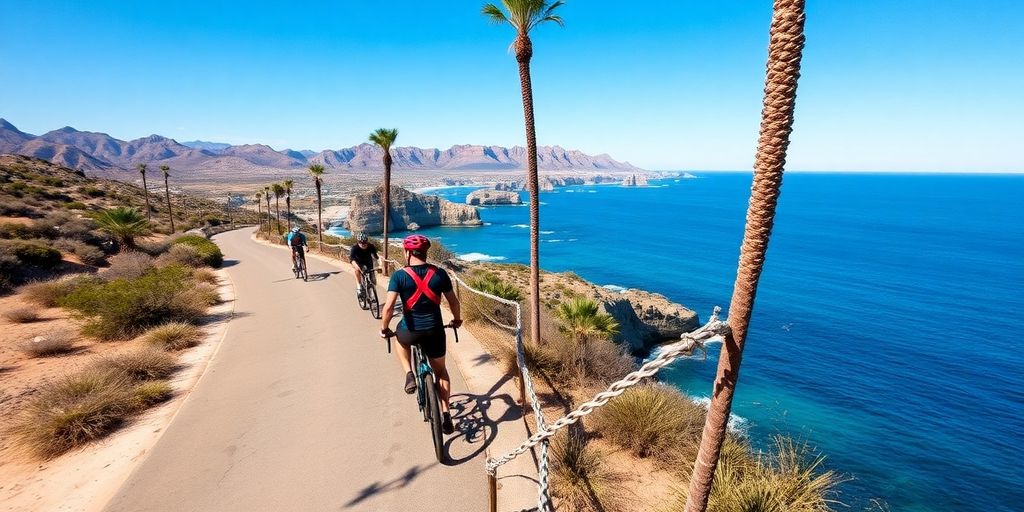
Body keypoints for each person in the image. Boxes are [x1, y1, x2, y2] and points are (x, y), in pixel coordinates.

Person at [380, 234, 462, 435]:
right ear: (426, 252)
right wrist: (457, 320)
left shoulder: (399, 276)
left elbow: (389, 307)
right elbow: (454, 302)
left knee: (400, 337)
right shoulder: (440, 274)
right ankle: (446, 414)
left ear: (407, 253)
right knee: (441, 372)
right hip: (435, 331)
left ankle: (409, 374)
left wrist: (384, 329)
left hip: (411, 332)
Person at [349, 233, 379, 298]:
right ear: (358, 242)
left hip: (368, 262)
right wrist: (357, 267)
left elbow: (376, 257)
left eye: (364, 242)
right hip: (358, 263)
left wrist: (378, 266)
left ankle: (371, 294)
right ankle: (359, 286)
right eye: (360, 242)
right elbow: (352, 259)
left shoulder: (371, 246)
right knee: (357, 270)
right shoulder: (355, 248)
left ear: (367, 242)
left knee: (373, 280)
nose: (363, 244)